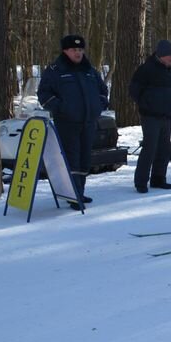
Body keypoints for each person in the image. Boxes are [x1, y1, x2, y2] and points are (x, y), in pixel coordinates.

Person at [37, 34, 109, 210]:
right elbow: (44, 95)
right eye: (73, 50)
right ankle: (73, 195)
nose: (77, 53)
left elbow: (102, 91)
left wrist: (99, 105)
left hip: (89, 122)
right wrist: (61, 109)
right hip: (67, 123)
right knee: (72, 159)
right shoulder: (55, 70)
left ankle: (80, 192)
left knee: (85, 159)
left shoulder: (90, 70)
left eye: (80, 50)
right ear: (65, 51)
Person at [130, 39, 171, 193]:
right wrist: (146, 103)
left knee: (163, 150)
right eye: (169, 55)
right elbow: (134, 90)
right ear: (161, 55)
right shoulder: (146, 69)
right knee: (149, 149)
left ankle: (159, 179)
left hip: (166, 116)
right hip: (150, 116)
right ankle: (141, 182)